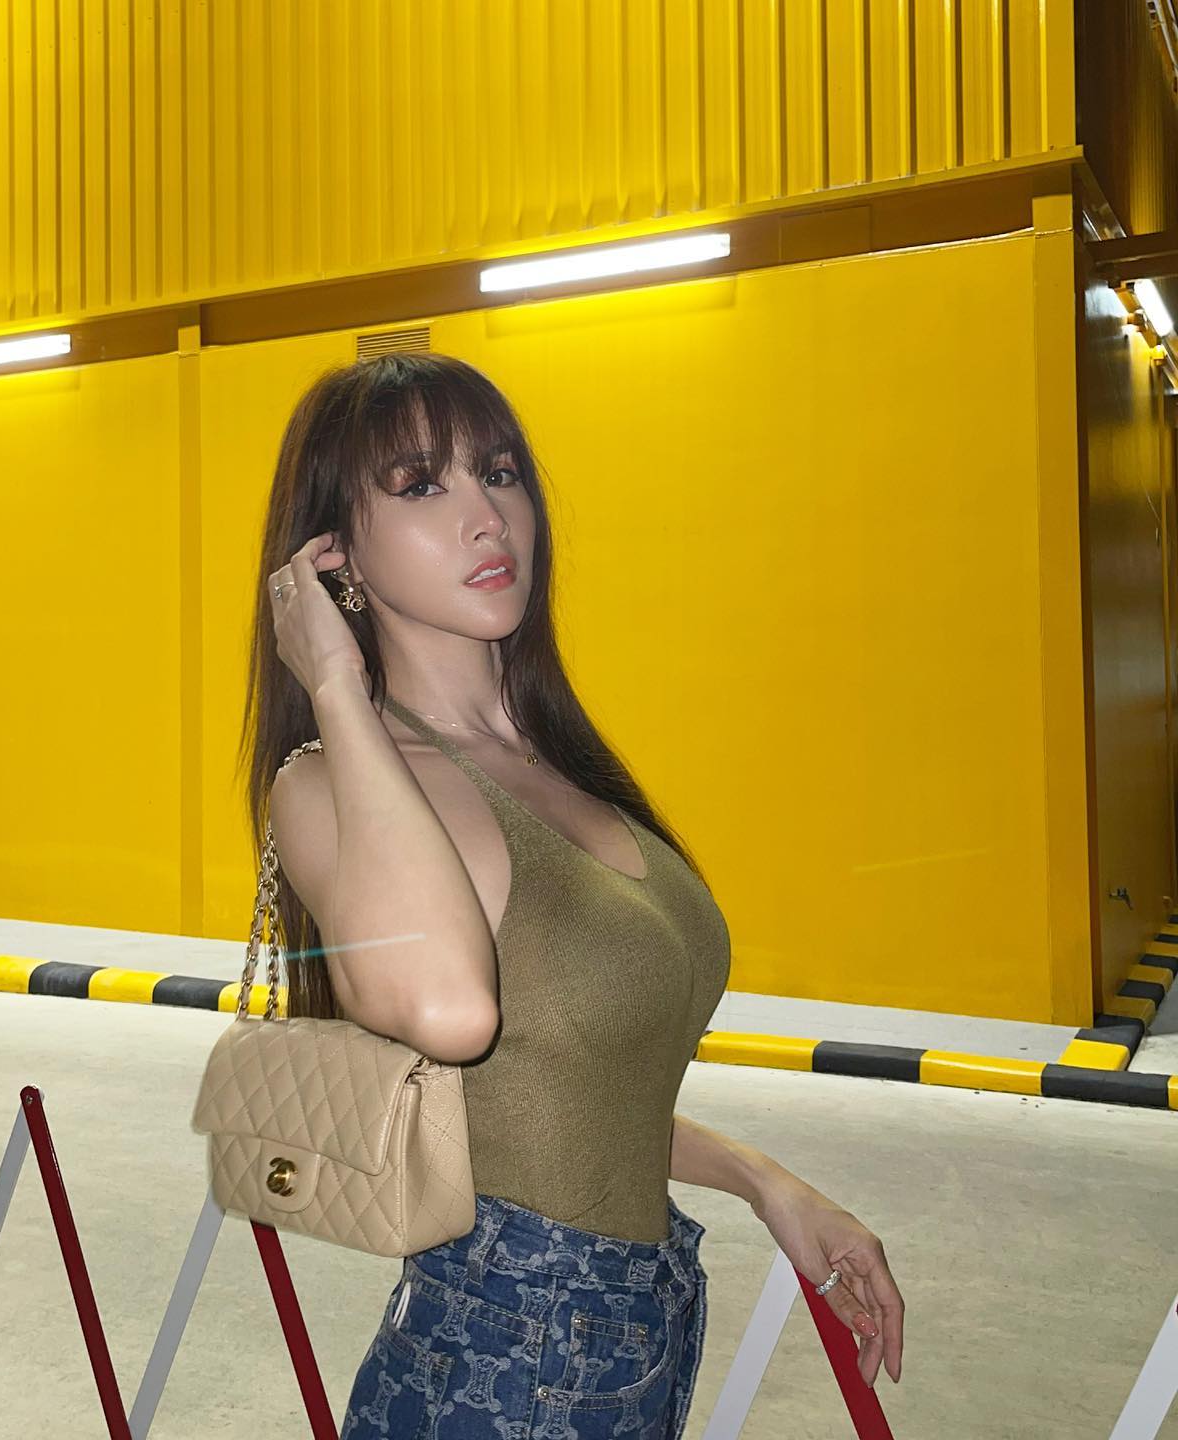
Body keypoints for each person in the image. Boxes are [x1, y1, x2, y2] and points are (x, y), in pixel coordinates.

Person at [248, 353, 904, 1438]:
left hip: (632, 1336)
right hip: (495, 1363)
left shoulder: (554, 764)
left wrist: (765, 1182)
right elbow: (450, 1012)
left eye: (500, 472)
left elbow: (572, 1090)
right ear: (336, 558)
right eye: (422, 485)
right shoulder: (326, 784)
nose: (486, 516)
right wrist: (334, 684)